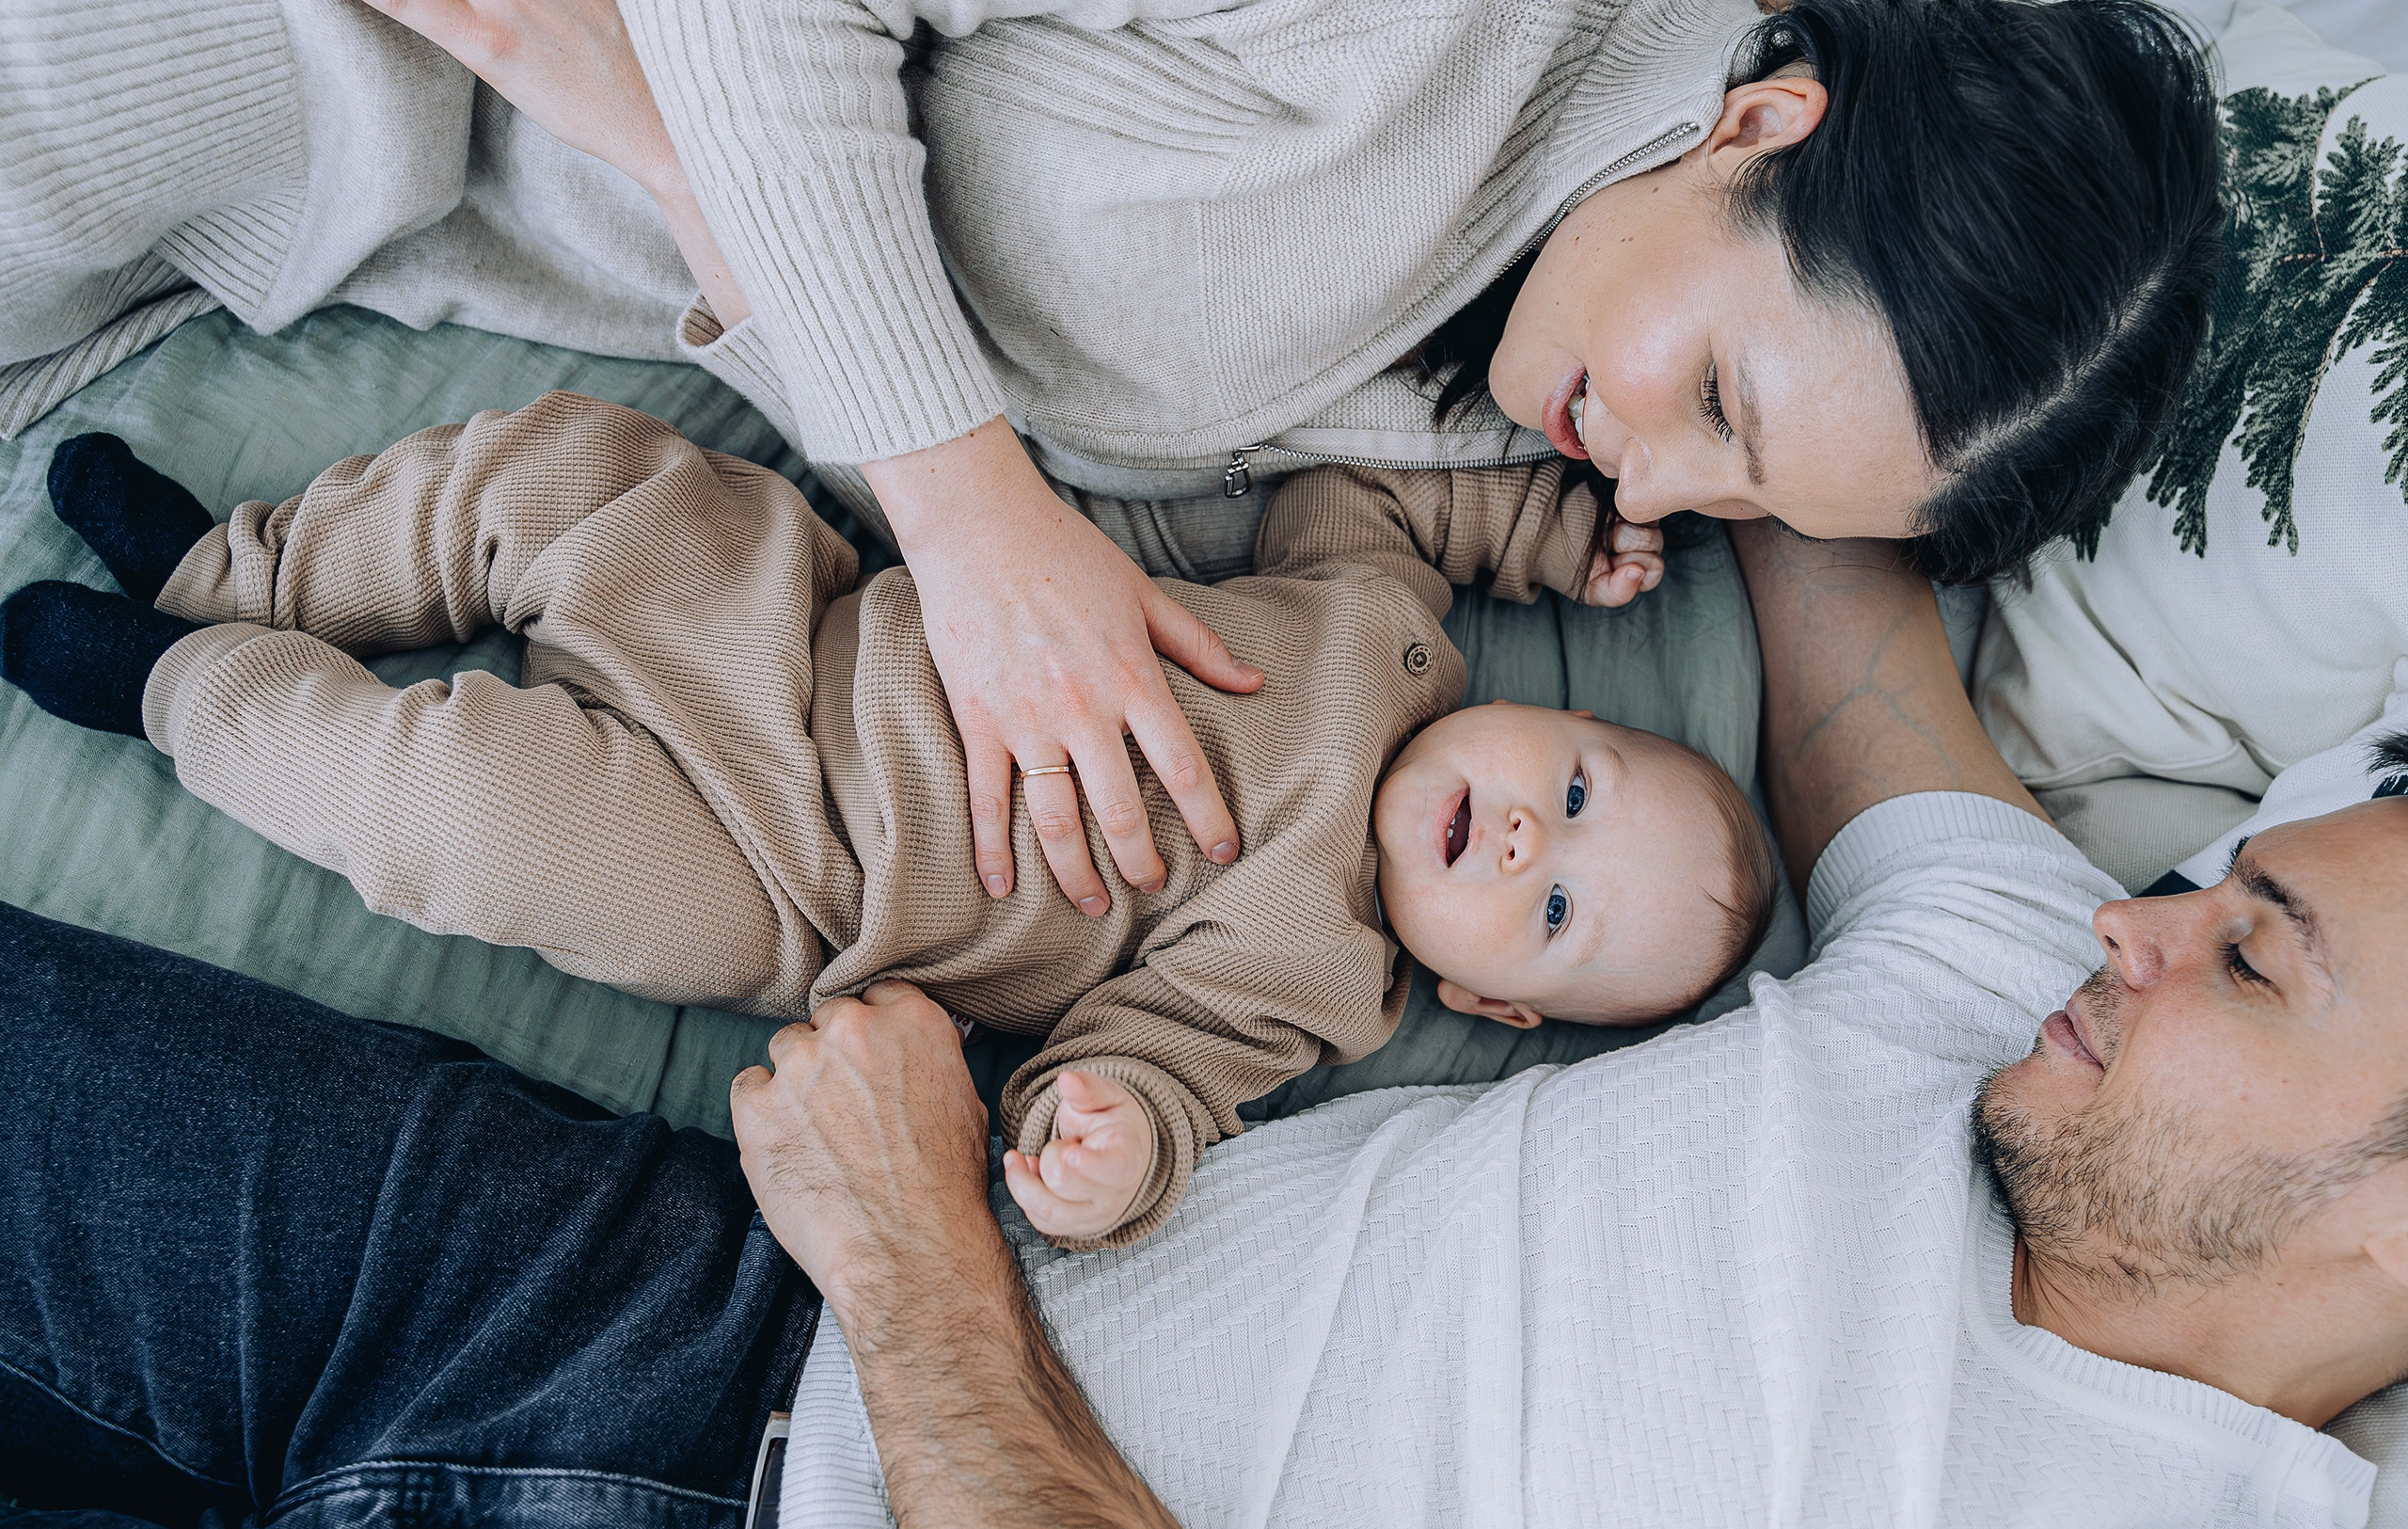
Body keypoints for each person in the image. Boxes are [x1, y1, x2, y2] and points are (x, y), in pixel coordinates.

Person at [9, 516, 2405, 1529]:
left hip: (877, 1315)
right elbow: (1857, 640)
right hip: (679, 1295)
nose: (2140, 910)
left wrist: (925, 1259)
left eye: (2250, 957)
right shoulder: (2011, 1004)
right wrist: (1752, 318)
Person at [0, 0, 2225, 917]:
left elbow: (1084, 481)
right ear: (1762, 121)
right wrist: (968, 515)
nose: (1659, 478)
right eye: (1718, 407)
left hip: (335, 242)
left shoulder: (1504, 370)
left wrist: (659, 152)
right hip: (276, 63)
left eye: (1741, 509)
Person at [0, 396, 1773, 1247]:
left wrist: (1108, 1146)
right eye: (1577, 788)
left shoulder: (1320, 973)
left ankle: (181, 689)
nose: (1530, 841)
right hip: (810, 613)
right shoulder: (1391, 622)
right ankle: (239, 566)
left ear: (1494, 1008)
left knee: (448, 810)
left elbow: (1163, 1064)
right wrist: (1538, 534)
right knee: (565, 473)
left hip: (774, 878)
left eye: (1553, 914)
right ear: (1559, 714)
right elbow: (1352, 482)